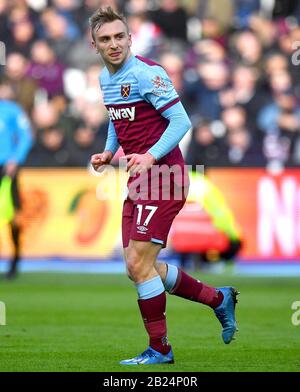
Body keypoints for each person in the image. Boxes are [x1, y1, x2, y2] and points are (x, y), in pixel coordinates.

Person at [90, 7, 239, 365]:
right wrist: (110, 151)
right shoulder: (104, 78)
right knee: (137, 266)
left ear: (130, 38)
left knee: (140, 266)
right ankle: (219, 299)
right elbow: (117, 117)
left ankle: (160, 350)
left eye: (119, 37)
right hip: (141, 177)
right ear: (94, 45)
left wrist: (152, 156)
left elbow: (181, 120)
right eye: (105, 39)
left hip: (164, 176)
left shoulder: (147, 74)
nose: (113, 44)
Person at [0, 87, 33, 278]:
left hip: (6, 168)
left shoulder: (12, 110)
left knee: (12, 216)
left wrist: (16, 159)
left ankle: (15, 260)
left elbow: (25, 136)